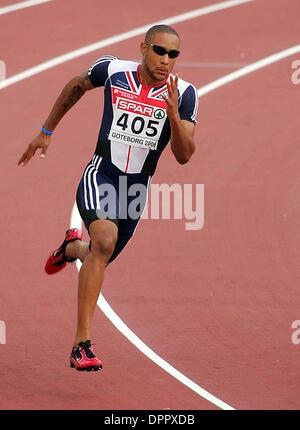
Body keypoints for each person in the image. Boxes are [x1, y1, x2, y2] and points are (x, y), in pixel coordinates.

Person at [18, 24, 199, 372]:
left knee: (98, 254)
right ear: (143, 48)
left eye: (173, 54)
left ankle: (70, 249)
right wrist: (45, 131)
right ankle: (81, 345)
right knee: (103, 241)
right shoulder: (114, 71)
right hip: (101, 174)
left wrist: (174, 115)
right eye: (159, 51)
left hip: (135, 190)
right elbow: (76, 85)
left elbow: (184, 155)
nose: (166, 60)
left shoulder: (186, 94)